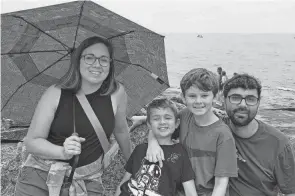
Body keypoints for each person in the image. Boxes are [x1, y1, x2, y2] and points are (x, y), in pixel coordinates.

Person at [14, 36, 132, 196]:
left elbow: (121, 131)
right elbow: (31, 142)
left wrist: (133, 163)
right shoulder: (55, 93)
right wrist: (62, 151)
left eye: (104, 59)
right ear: (78, 61)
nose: (97, 65)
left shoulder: (117, 93)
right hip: (40, 177)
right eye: (89, 58)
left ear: (110, 64)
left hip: (87, 179)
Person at [147, 68, 238, 196]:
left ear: (215, 96)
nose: (198, 101)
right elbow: (161, 127)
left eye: (204, 95)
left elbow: (221, 184)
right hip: (180, 189)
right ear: (183, 98)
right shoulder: (185, 115)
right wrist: (152, 143)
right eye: (192, 96)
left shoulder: (223, 135)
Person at [222, 74, 295, 196]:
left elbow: (290, 191)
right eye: (235, 98)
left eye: (250, 99)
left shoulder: (278, 143)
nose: (243, 105)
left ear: (258, 103)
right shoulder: (214, 130)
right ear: (223, 100)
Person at [115, 98, 198, 196]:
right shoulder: (140, 149)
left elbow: (190, 191)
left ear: (176, 124)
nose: (162, 122)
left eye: (167, 118)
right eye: (156, 118)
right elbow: (124, 181)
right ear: (149, 125)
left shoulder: (181, 153)